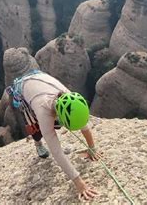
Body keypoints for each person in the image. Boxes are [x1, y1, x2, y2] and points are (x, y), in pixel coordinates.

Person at [6, 70, 102, 201]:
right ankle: (38, 144)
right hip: (25, 89)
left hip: (40, 80)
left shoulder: (71, 99)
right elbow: (56, 151)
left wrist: (92, 148)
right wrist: (80, 183)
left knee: (53, 125)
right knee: (35, 128)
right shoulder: (42, 110)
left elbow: (84, 126)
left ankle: (47, 132)